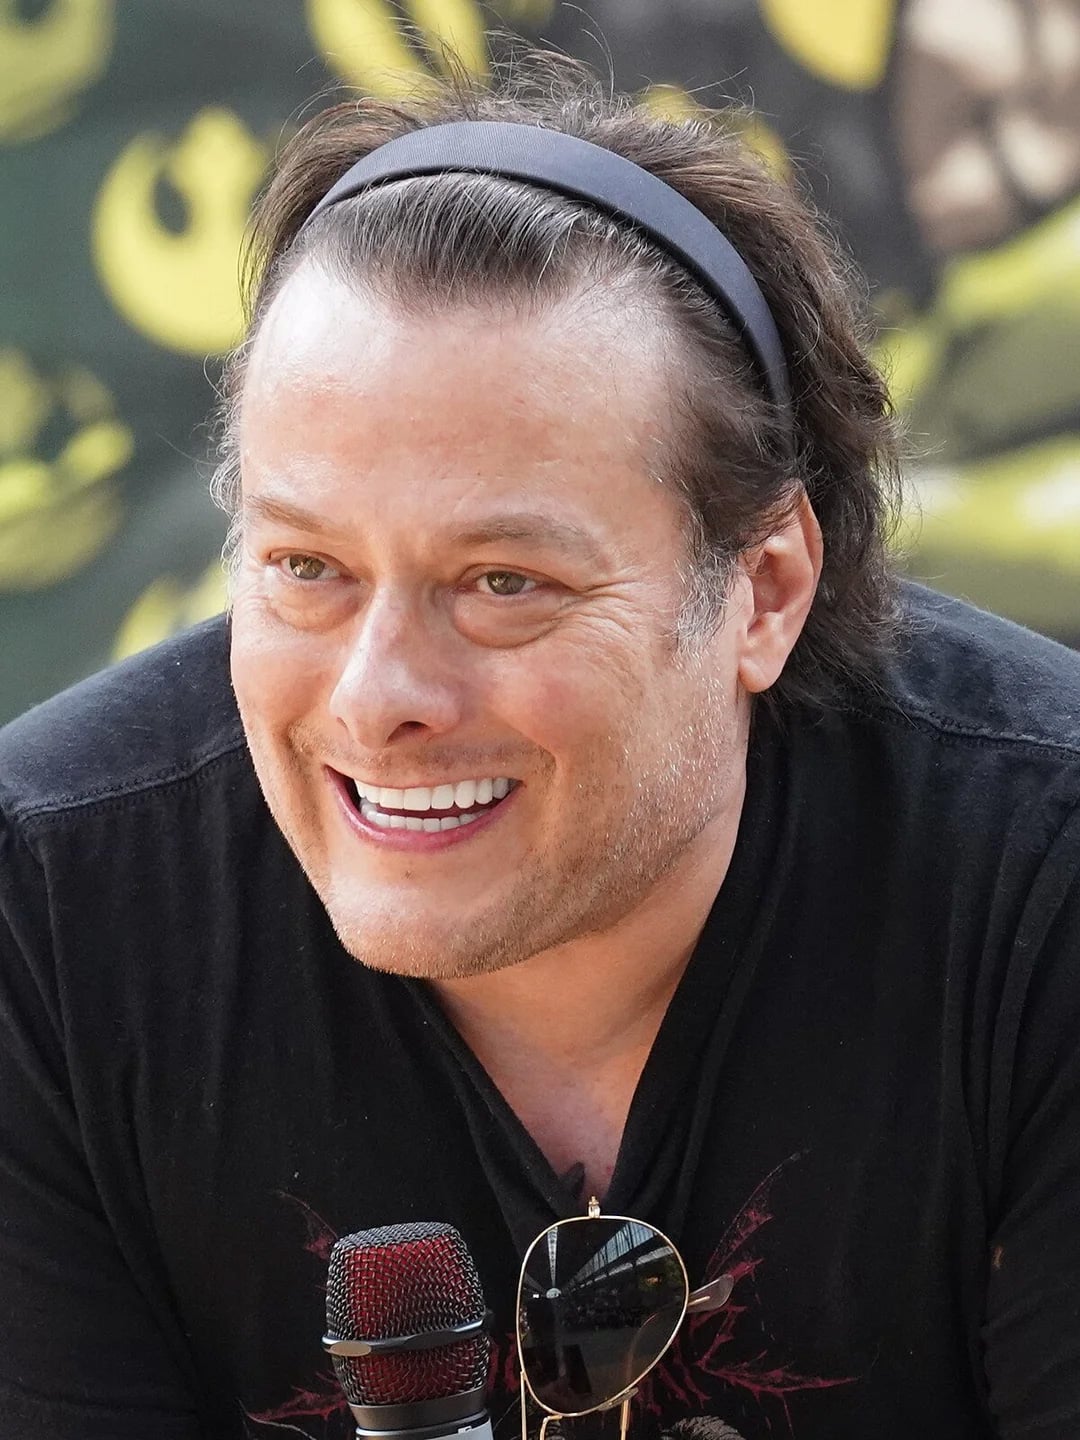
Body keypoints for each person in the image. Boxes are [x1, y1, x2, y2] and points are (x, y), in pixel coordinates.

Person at [0, 50, 1078, 1440]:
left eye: (505, 583)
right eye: (304, 566)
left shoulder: (1040, 888)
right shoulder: (49, 913)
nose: (377, 696)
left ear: (762, 593)